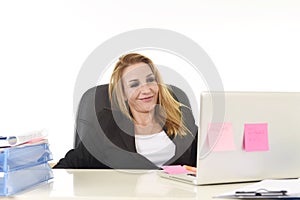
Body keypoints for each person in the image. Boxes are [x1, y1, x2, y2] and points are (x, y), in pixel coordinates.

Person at [54, 53, 197, 169]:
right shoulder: (107, 126)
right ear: (122, 94)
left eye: (150, 80)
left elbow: (206, 157)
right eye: (134, 84)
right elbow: (71, 163)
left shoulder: (181, 117)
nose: (146, 90)